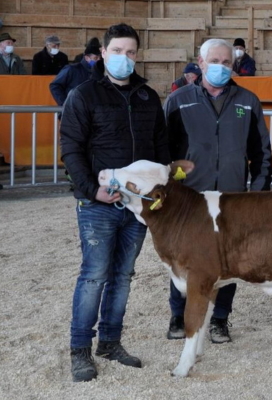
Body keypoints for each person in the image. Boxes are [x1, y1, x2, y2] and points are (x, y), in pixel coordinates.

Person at [60, 23, 169, 383]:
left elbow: (159, 149)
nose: (125, 58)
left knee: (123, 276)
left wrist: (159, 188)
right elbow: (72, 149)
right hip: (98, 204)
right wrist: (92, 190)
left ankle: (110, 342)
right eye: (118, 51)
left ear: (137, 55)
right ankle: (80, 349)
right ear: (103, 53)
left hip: (137, 206)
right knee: (94, 275)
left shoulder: (147, 97)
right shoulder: (83, 95)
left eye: (131, 52)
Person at [163, 38, 272, 344]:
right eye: (215, 61)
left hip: (233, 198)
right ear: (200, 63)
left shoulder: (248, 102)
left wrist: (257, 194)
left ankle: (220, 319)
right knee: (183, 259)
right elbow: (164, 154)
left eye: (226, 62)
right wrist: (175, 187)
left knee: (228, 260)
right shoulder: (178, 100)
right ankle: (178, 315)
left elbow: (262, 153)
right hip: (189, 201)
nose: (221, 67)